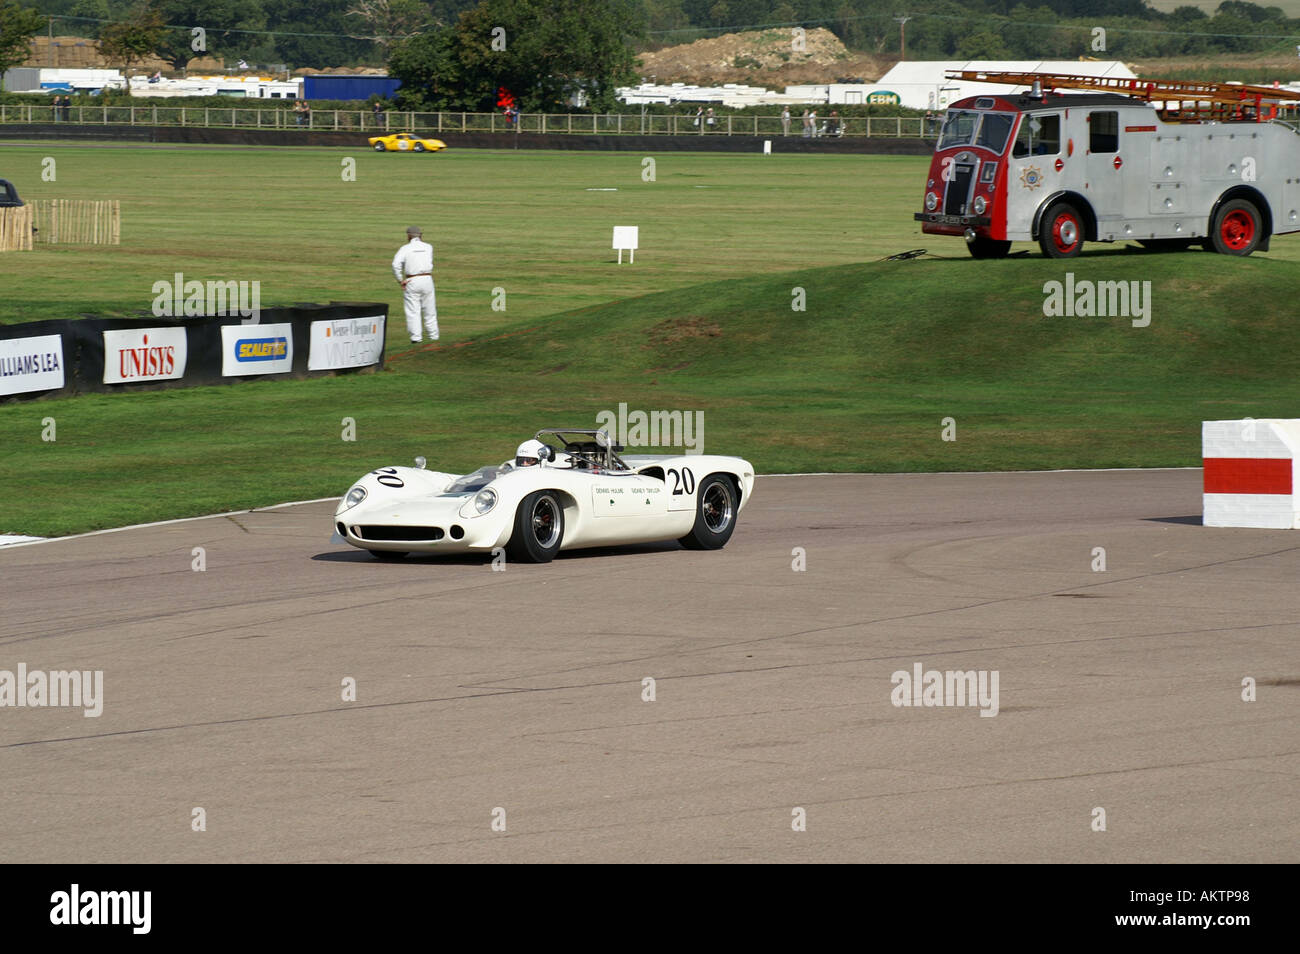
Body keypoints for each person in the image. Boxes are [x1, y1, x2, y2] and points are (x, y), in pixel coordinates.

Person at [392, 225, 438, 343]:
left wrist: (400, 279)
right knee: (430, 309)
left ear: (408, 236)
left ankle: (416, 338)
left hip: (412, 280)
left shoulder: (405, 248)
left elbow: (395, 265)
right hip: (427, 279)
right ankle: (434, 336)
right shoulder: (429, 247)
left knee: (413, 311)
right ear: (420, 235)